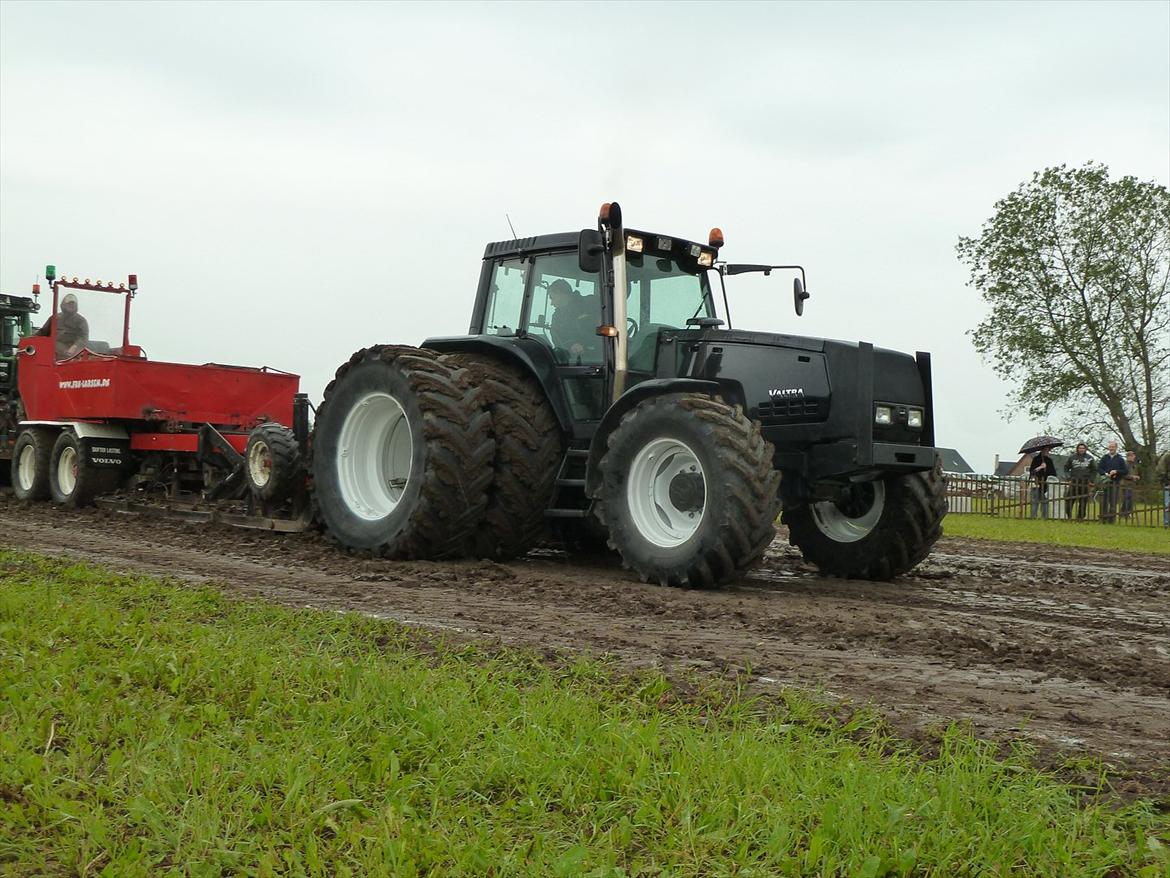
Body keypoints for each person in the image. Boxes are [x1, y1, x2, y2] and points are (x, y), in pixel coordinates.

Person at [547, 279, 599, 364]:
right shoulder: (557, 317)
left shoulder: (591, 303)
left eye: (552, 298)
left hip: (599, 357)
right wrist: (571, 345)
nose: (551, 303)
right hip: (571, 360)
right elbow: (557, 337)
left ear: (560, 293)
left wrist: (586, 345)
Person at [35, 292, 89, 359]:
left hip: (73, 353)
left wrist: (75, 346)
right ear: (64, 304)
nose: (71, 305)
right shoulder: (55, 318)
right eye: (69, 303)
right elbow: (42, 332)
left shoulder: (81, 320)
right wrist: (30, 339)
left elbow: (83, 338)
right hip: (53, 351)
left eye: (73, 304)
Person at [1097, 441, 1128, 523]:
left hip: (1115, 482)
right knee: (1104, 500)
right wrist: (1104, 473)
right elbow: (1099, 468)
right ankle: (1103, 519)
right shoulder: (1104, 458)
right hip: (1105, 482)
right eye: (1110, 447)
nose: (1111, 448)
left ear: (1116, 448)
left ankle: (1111, 520)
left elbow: (1125, 470)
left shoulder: (1120, 459)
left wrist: (1116, 471)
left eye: (1113, 447)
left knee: (1113, 501)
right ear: (1108, 447)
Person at [1063, 442, 1094, 520]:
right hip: (1074, 481)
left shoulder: (1090, 458)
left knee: (1083, 501)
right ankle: (1068, 516)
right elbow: (1066, 468)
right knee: (1069, 500)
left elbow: (1094, 470)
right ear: (1077, 449)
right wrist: (1068, 478)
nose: (1081, 449)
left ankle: (1080, 518)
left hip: (1085, 482)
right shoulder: (1072, 457)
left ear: (1085, 449)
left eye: (1083, 448)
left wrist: (1091, 480)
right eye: (1080, 448)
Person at [1028, 447, 1054, 519]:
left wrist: (1046, 469)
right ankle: (1033, 517)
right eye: (1045, 450)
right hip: (1036, 483)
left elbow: (1053, 473)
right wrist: (1040, 467)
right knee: (1035, 501)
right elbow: (1032, 472)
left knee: (1045, 501)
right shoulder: (1036, 459)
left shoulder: (1049, 460)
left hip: (1046, 484)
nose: (1046, 451)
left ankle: (1045, 517)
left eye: (1048, 450)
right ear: (1041, 450)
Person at [1120, 451, 1141, 518]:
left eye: (1133, 456)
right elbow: (1123, 475)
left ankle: (1126, 513)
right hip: (1125, 484)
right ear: (1128, 456)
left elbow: (1134, 473)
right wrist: (1132, 477)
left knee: (1129, 499)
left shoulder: (1133, 465)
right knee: (1127, 498)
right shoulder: (1125, 464)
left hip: (1131, 484)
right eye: (1132, 456)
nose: (1133, 458)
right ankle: (1125, 513)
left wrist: (1136, 477)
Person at [1156, 449, 1170, 527]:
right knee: (1167, 504)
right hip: (1168, 483)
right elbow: (1160, 470)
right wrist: (1166, 481)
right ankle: (1166, 523)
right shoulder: (1167, 457)